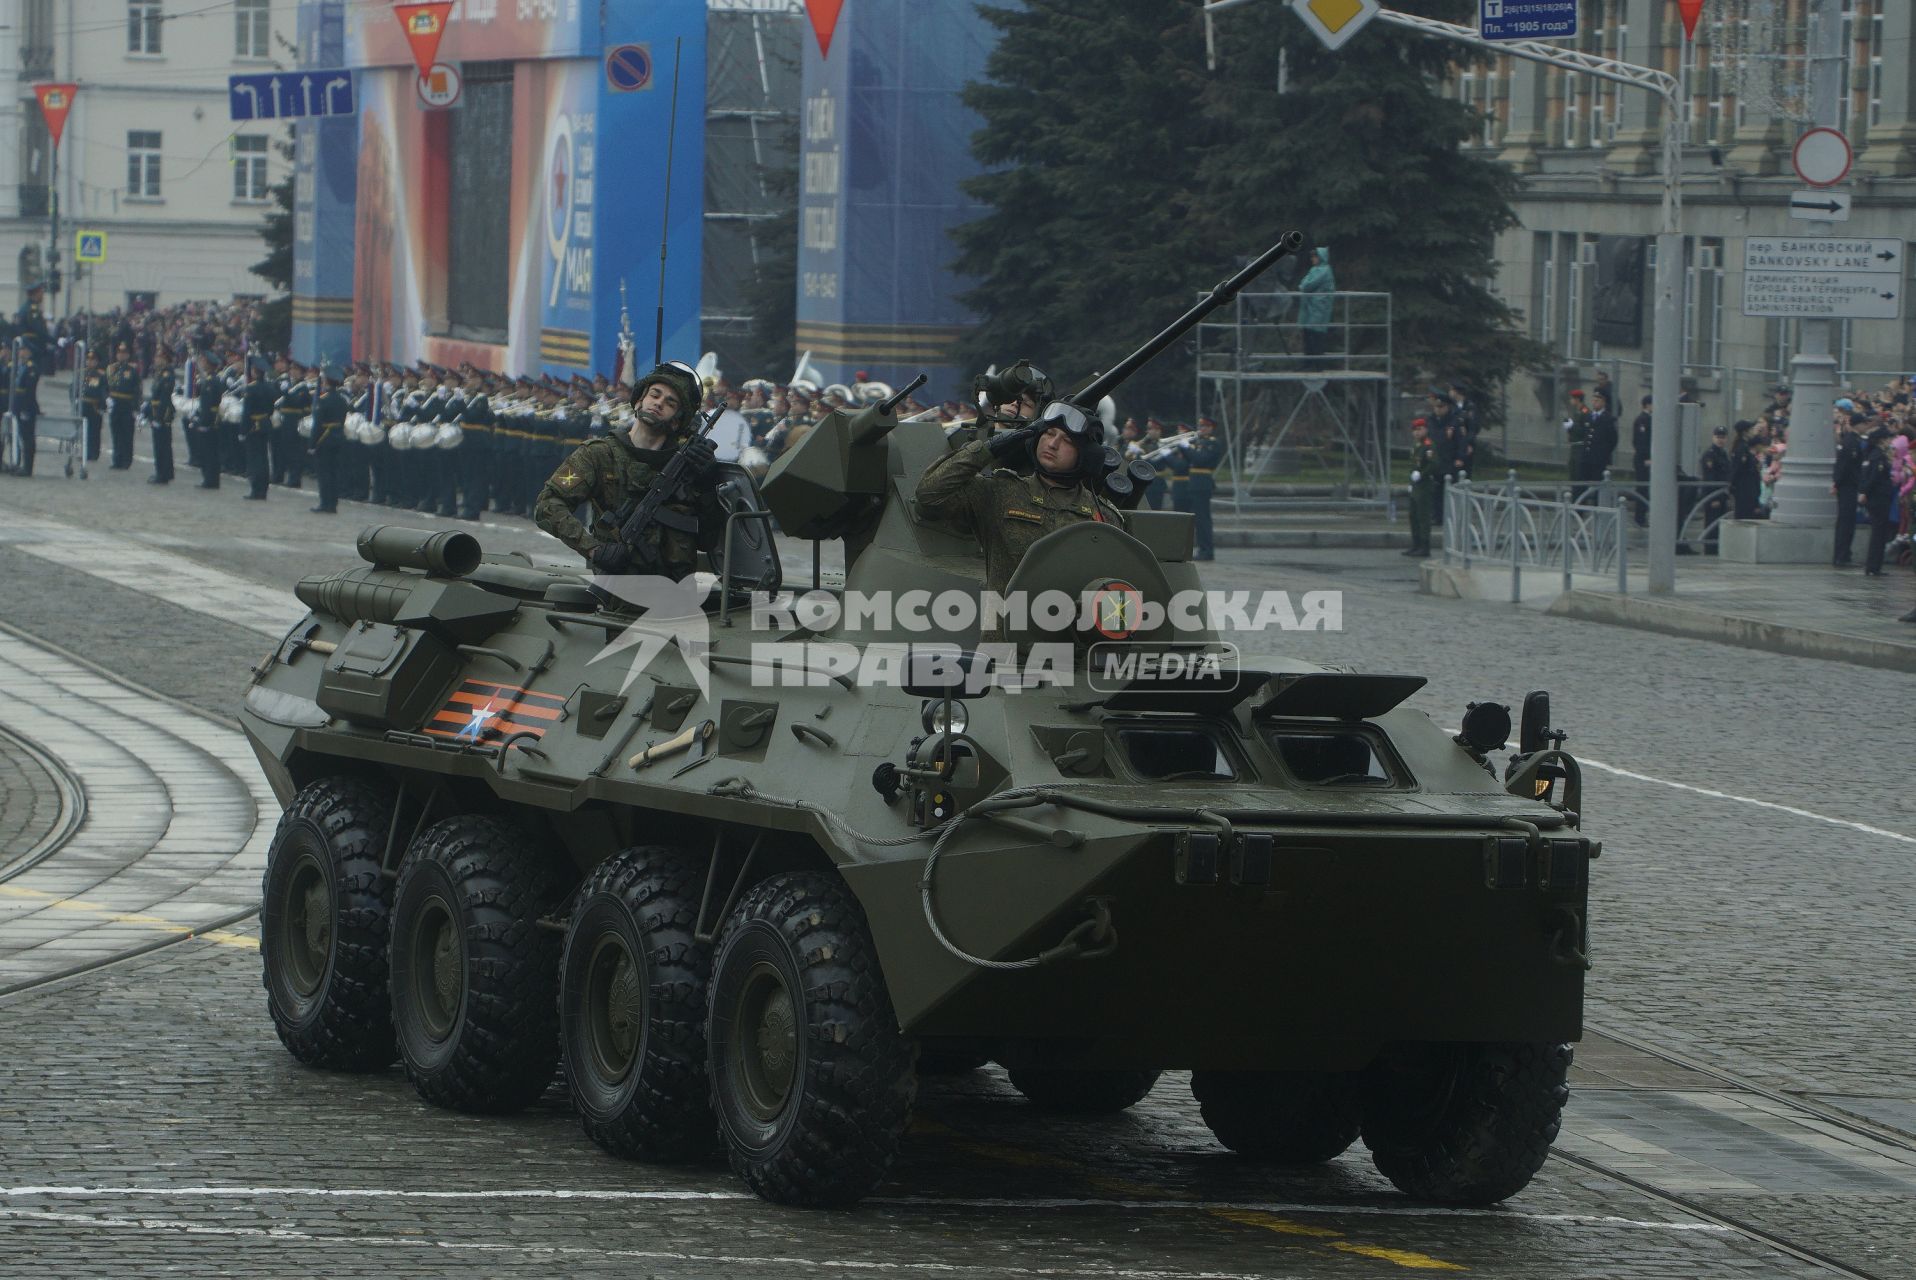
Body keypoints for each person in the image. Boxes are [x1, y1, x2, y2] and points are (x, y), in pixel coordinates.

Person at [915, 397, 1125, 602]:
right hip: (1004, 632)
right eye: (1049, 433)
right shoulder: (1001, 492)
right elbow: (930, 493)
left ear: (1086, 456)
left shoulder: (1105, 518)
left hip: (1071, 634)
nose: (1052, 444)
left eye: (1067, 441)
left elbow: (1114, 591)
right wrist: (987, 449)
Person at [534, 360, 720, 580]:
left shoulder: (688, 467)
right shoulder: (599, 455)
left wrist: (709, 485)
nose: (658, 403)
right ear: (640, 400)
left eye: (670, 402)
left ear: (677, 421)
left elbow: (708, 540)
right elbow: (547, 505)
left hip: (676, 598)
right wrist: (593, 549)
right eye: (655, 394)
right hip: (617, 593)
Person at [308, 365, 350, 514]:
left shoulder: (323, 400)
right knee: (333, 472)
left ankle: (325, 502)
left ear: (326, 382)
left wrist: (312, 444)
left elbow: (317, 424)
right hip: (338, 436)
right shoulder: (342, 400)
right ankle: (333, 503)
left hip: (324, 439)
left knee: (324, 473)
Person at [1859, 426, 1896, 576]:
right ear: (1882, 440)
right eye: (1888, 439)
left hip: (1878, 498)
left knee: (1878, 532)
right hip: (1879, 499)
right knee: (1878, 533)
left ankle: (1874, 566)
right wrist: (1865, 491)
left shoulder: (1874, 454)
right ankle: (1874, 566)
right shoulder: (1878, 456)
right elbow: (1874, 477)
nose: (1890, 441)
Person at [240, 357, 278, 500]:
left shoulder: (251, 388)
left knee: (255, 458)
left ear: (255, 372)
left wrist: (243, 430)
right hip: (265, 423)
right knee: (263, 457)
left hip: (253, 425)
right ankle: (263, 488)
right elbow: (271, 408)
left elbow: (247, 411)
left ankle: (256, 489)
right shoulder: (270, 387)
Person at [1186, 416, 1222, 561]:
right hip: (1194, 483)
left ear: (1211, 428)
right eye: (1201, 426)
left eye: (1205, 426)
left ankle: (1207, 550)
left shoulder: (1213, 443)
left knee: (1203, 519)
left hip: (1203, 483)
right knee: (1198, 519)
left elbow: (1199, 459)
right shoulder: (1198, 442)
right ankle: (1202, 548)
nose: (1202, 429)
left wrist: (1185, 447)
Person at [1831, 412, 1864, 568]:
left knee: (1847, 522)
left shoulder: (1852, 440)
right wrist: (1837, 483)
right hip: (1848, 487)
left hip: (1849, 486)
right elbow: (1845, 466)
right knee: (1846, 523)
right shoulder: (1851, 442)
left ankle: (1843, 555)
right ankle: (1841, 556)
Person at [1403, 417, 1436, 558]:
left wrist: (1421, 475)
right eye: (1415, 430)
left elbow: (1433, 465)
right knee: (1413, 516)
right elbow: (1413, 466)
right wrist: (1411, 482)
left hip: (1424, 486)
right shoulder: (1417, 446)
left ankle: (1425, 546)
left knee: (1423, 517)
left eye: (1420, 429)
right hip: (1416, 486)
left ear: (1426, 430)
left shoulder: (1428, 446)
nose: (1417, 432)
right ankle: (1415, 544)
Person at [5, 343, 40, 476]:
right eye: (21, 350)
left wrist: (25, 408)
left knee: (27, 437)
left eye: (24, 350)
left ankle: (27, 467)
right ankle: (18, 463)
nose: (21, 352)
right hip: (17, 406)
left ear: (30, 352)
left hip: (27, 407)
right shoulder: (20, 366)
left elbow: (29, 391)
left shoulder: (32, 368)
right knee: (17, 436)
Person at [1297, 246, 1335, 367]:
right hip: (1310, 308)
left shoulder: (1324, 270)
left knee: (1316, 336)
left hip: (1319, 308)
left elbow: (1306, 285)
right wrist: (1304, 285)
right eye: (1312, 256)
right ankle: (1308, 364)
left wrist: (1305, 286)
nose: (1312, 259)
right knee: (1308, 335)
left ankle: (1317, 365)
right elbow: (1304, 283)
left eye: (1315, 256)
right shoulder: (1315, 269)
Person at [105, 342, 141, 470]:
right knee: (116, 433)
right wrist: (107, 399)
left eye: (124, 353)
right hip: (115, 404)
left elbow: (137, 390)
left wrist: (136, 408)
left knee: (127, 434)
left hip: (127, 404)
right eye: (119, 353)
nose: (121, 356)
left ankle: (126, 460)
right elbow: (105, 386)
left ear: (128, 355)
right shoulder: (111, 369)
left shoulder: (132, 371)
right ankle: (117, 459)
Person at [1698, 425, 1729, 555]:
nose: (1720, 440)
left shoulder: (1723, 454)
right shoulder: (1709, 455)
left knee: (1719, 525)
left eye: (1722, 437)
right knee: (1711, 524)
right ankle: (1710, 550)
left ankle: (1716, 548)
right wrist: (1713, 498)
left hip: (1722, 495)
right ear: (1713, 437)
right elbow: (1710, 478)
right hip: (1713, 496)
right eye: (1718, 437)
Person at [146, 347, 176, 484]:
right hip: (157, 410)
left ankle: (162, 474)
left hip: (163, 413)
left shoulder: (166, 375)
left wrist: (158, 417)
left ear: (164, 359)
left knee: (161, 445)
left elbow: (164, 398)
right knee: (161, 444)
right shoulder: (160, 373)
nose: (155, 360)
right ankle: (165, 472)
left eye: (158, 357)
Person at [1728, 419, 1764, 520]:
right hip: (1745, 491)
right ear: (1745, 432)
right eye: (1751, 429)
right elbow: (1738, 470)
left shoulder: (1745, 446)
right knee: (1744, 519)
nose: (1753, 431)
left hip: (1748, 491)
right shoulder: (1742, 448)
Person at [78, 346, 106, 463]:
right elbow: (74, 388)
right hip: (83, 404)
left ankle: (93, 453)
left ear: (97, 361)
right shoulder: (82, 373)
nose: (90, 362)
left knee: (94, 431)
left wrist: (102, 406)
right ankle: (85, 452)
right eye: (88, 359)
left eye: (92, 360)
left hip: (94, 406)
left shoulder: (101, 375)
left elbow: (103, 391)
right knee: (84, 430)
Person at [1630, 394, 1653, 528]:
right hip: (1643, 460)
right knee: (1642, 488)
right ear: (1647, 405)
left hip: (1648, 459)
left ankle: (1643, 515)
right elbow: (1640, 442)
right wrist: (1646, 458)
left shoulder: (1649, 419)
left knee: (1646, 488)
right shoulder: (1642, 420)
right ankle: (1640, 516)